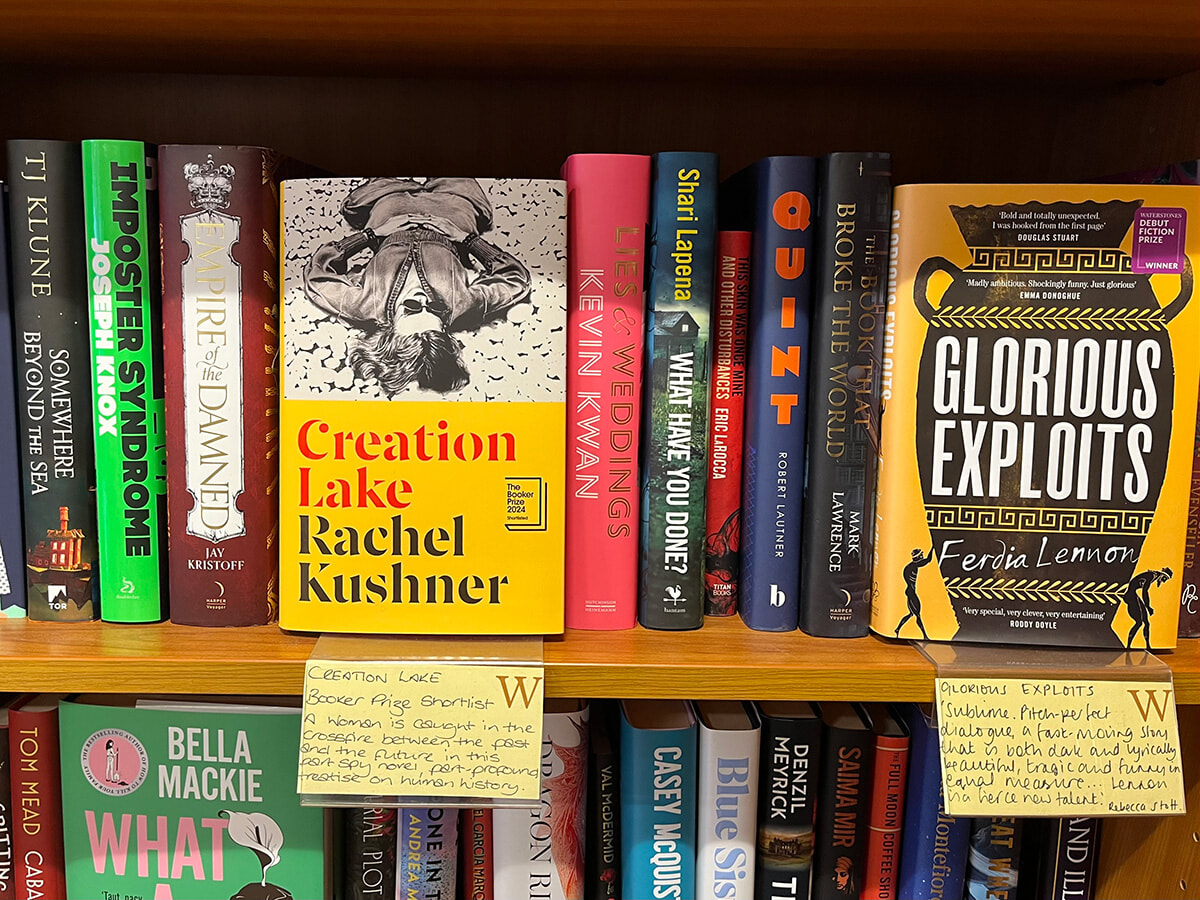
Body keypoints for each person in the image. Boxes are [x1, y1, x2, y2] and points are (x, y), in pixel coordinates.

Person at [303, 177, 532, 395]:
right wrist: (468, 240)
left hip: (391, 210)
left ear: (389, 329)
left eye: (410, 307)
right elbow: (516, 279)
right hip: (452, 211)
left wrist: (370, 235)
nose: (422, 299)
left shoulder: (364, 306)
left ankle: (401, 184)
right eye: (434, 309)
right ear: (444, 327)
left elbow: (317, 277)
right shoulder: (462, 305)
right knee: (465, 183)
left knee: (355, 204)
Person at [1123, 566, 1172, 650]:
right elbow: (1145, 591)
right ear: (1162, 575)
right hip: (1131, 596)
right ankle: (1128, 646)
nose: (1164, 581)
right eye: (1165, 578)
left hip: (1133, 595)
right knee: (1139, 622)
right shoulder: (1151, 576)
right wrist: (1148, 606)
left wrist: (1147, 606)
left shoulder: (1154, 576)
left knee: (1146, 623)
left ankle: (1148, 645)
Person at [895, 548, 934, 640]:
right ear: (918, 556)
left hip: (910, 591)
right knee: (917, 615)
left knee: (911, 614)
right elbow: (928, 560)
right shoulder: (913, 566)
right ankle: (925, 635)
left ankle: (897, 629)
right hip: (911, 592)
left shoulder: (910, 566)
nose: (922, 556)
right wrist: (932, 548)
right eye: (921, 555)